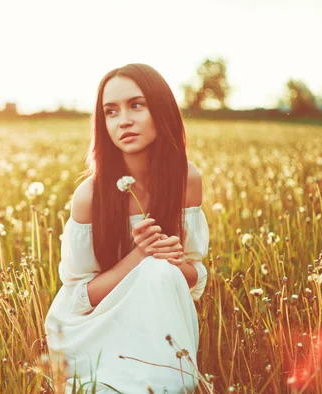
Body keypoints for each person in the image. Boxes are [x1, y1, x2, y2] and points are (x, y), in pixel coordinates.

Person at [44, 63, 209, 394]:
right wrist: (140, 256)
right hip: (92, 328)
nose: (124, 121)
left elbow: (195, 279)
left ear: (160, 110)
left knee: (160, 273)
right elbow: (78, 299)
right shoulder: (89, 197)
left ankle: (166, 380)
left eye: (137, 105)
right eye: (111, 111)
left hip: (157, 325)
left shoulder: (186, 180)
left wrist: (172, 262)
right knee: (154, 269)